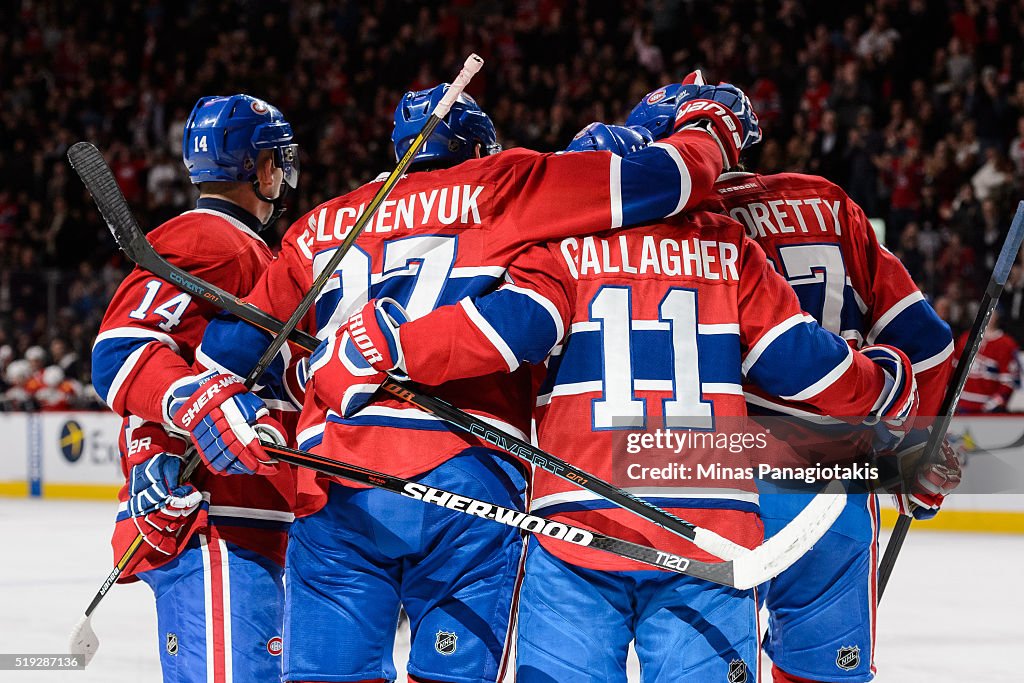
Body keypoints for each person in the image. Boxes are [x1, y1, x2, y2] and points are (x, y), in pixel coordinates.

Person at [191, 75, 759, 683]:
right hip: (467, 472)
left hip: (336, 474)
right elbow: (669, 180)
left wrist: (213, 410)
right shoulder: (509, 184)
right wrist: (706, 129)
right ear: (478, 148)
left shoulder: (321, 225)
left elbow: (228, 354)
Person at [308, 119, 919, 683]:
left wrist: (386, 344)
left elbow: (501, 330)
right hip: (709, 528)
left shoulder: (560, 253)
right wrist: (883, 384)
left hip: (579, 522)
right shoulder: (728, 247)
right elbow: (802, 365)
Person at [633, 89, 959, 679]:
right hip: (837, 486)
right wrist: (917, 452)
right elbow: (930, 344)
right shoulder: (828, 202)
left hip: (714, 487)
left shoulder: (665, 222)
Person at [90, 94, 300, 682]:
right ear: (260, 168)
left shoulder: (253, 250)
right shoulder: (209, 239)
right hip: (213, 519)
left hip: (245, 521)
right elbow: (119, 350)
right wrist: (189, 406)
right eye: (277, 161)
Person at [956, 307, 1020, 413]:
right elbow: (954, 371)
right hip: (960, 406)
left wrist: (993, 404)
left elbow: (1009, 381)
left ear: (998, 315)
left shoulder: (1007, 344)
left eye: (992, 310)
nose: (986, 313)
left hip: (988, 408)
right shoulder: (965, 339)